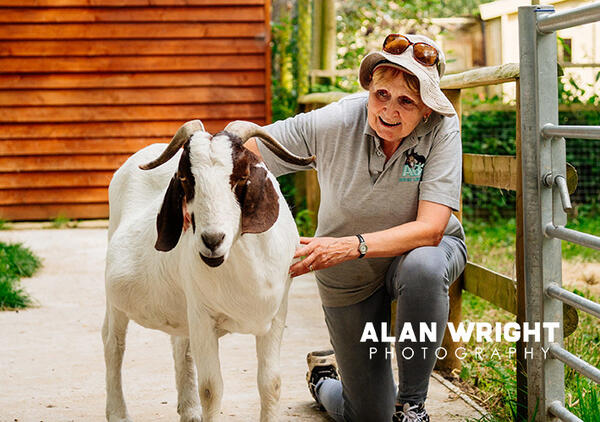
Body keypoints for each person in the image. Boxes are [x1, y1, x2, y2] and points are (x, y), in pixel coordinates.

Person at [244, 33, 467, 422]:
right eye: (382, 94)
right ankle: (323, 379)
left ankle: (411, 407)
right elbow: (246, 147)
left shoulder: (442, 129)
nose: (389, 111)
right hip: (348, 274)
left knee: (425, 268)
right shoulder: (333, 121)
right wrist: (198, 191)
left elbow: (431, 229)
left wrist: (351, 244)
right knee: (367, 415)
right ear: (369, 89)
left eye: (406, 102)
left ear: (427, 109)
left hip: (417, 252)